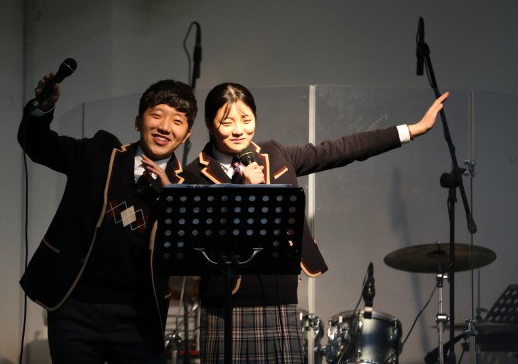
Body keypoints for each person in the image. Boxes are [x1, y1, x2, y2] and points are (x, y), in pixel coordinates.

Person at [183, 82, 448, 363]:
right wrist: (244, 193)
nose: (239, 130)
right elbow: (204, 246)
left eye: (246, 120)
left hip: (280, 299)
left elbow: (338, 150)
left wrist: (410, 130)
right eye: (227, 122)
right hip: (226, 307)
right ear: (209, 124)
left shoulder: (274, 154)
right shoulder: (194, 175)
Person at [18, 74, 197, 363]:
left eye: (177, 121)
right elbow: (38, 144)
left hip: (139, 319)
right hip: (75, 308)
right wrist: (42, 108)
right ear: (138, 122)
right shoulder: (99, 154)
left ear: (186, 135)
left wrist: (172, 199)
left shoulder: (186, 188)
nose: (165, 127)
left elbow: (192, 254)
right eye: (157, 115)